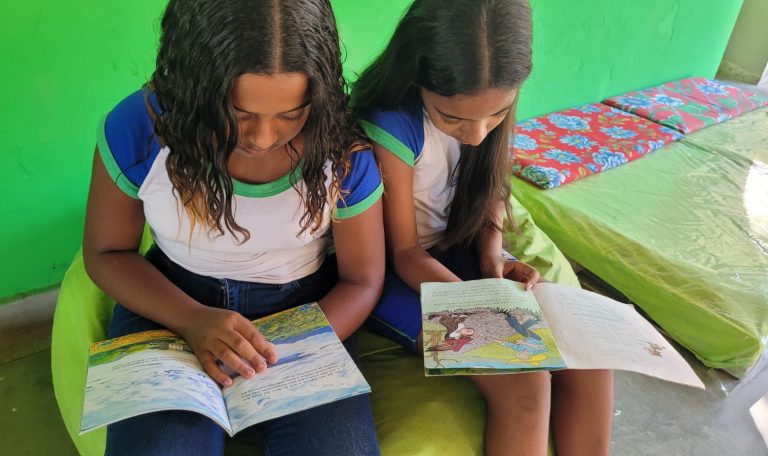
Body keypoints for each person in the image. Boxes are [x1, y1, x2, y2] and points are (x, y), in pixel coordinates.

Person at [83, 0, 384, 455]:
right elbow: (106, 253)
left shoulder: (340, 147)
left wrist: (280, 352)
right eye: (239, 114)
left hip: (304, 311)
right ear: (196, 86)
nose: (263, 139)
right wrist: (191, 319)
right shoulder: (140, 127)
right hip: (168, 304)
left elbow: (362, 280)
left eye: (291, 114)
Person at [351, 0, 613, 454]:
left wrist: (494, 257)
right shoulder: (390, 124)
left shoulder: (492, 97)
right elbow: (405, 254)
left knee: (590, 351)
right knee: (525, 382)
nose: (477, 134)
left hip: (461, 252)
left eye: (495, 115)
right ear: (417, 75)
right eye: (453, 118)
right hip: (398, 274)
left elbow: (492, 189)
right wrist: (482, 306)